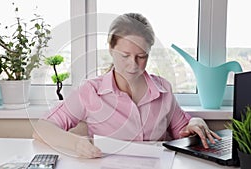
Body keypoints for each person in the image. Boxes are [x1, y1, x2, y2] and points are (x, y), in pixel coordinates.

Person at [33, 13, 221, 158]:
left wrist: (195, 122)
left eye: (141, 56)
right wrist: (76, 144)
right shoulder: (91, 91)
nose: (133, 64)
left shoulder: (163, 89)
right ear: (111, 49)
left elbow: (183, 130)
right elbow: (42, 129)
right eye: (125, 56)